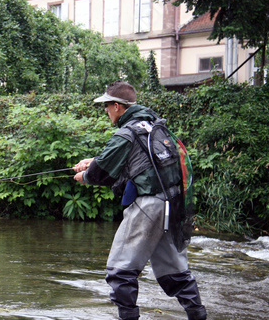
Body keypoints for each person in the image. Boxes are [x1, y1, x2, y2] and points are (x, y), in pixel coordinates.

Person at [73, 81, 207, 320]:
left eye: (106, 106)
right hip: (172, 205)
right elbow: (136, 158)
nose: (105, 111)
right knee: (175, 272)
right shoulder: (153, 125)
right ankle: (198, 315)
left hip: (147, 206)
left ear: (117, 106)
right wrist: (92, 160)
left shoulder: (126, 133)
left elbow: (100, 173)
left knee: (120, 270)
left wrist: (84, 175)